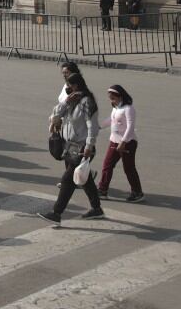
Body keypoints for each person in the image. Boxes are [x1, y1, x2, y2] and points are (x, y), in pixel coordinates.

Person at [38, 72, 103, 225]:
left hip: (81, 148)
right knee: (84, 179)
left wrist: (89, 145)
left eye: (69, 86)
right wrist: (66, 101)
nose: (67, 89)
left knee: (68, 180)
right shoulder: (71, 101)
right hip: (70, 147)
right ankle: (97, 208)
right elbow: (55, 114)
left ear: (77, 85)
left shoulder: (87, 102)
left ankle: (56, 213)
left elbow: (92, 126)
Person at [97, 85, 143, 202]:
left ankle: (137, 192)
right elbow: (111, 119)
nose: (111, 100)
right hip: (114, 140)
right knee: (107, 165)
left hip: (127, 143)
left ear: (120, 96)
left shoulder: (128, 108)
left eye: (113, 98)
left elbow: (131, 127)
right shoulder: (116, 107)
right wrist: (98, 127)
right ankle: (102, 190)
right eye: (110, 98)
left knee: (129, 168)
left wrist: (123, 142)